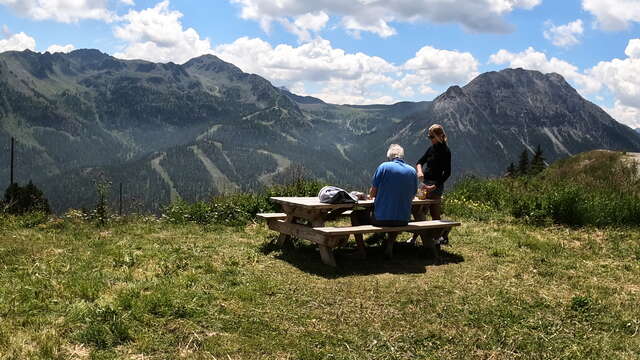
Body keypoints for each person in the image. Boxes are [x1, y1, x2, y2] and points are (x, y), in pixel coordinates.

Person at [351, 144, 417, 259]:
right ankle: (389, 246)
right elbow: (412, 195)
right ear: (402, 156)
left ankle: (361, 251)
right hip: (403, 220)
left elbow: (372, 194)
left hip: (382, 220)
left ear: (389, 157)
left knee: (355, 215)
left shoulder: (384, 167)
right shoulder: (412, 171)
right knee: (396, 211)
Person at [408, 124, 451, 245]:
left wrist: (435, 186)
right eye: (429, 136)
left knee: (434, 212)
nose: (430, 139)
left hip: (435, 186)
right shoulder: (431, 148)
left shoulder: (446, 152)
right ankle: (417, 238)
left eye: (432, 136)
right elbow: (419, 162)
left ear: (440, 136)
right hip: (424, 183)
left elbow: (447, 173)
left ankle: (438, 238)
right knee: (418, 210)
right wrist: (420, 171)